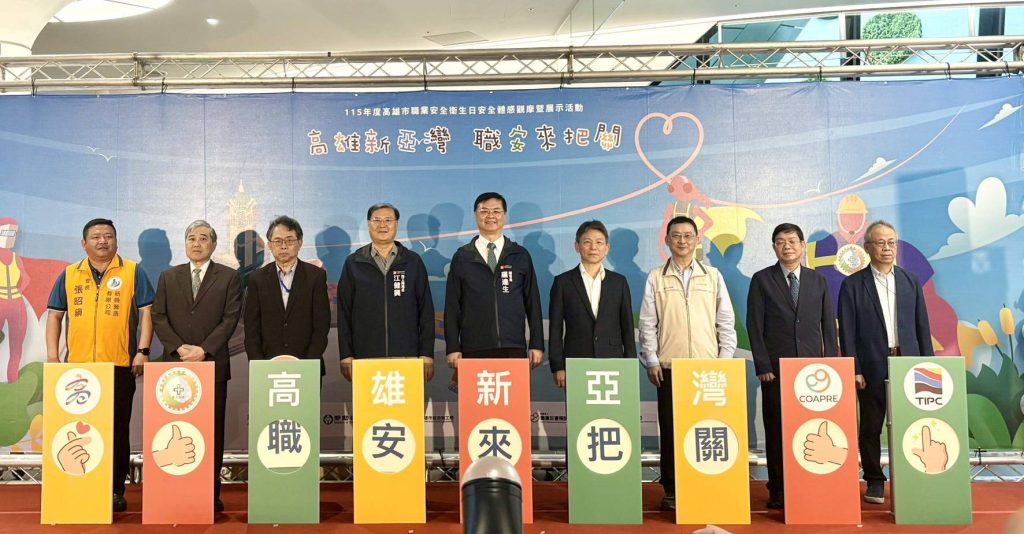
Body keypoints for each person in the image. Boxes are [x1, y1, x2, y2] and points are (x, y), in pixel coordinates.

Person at [45, 218, 154, 512]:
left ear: (116, 241)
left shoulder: (133, 271)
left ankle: (115, 489)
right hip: (78, 371)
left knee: (117, 430)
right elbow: (55, 315)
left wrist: (143, 351)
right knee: (81, 430)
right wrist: (53, 357)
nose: (102, 241)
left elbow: (147, 313)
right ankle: (82, 485)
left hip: (118, 365)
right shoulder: (69, 274)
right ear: (84, 243)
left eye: (108, 236)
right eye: (95, 237)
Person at [638, 215, 736, 511]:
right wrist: (651, 360)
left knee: (706, 429)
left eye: (688, 235)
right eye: (676, 236)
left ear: (697, 240)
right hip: (670, 367)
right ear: (667, 240)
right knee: (671, 431)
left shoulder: (713, 276)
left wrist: (724, 362)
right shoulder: (656, 276)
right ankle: (672, 490)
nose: (682, 241)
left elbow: (726, 321)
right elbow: (647, 323)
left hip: (708, 370)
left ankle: (706, 485)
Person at [838, 220, 932, 505]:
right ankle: (875, 480)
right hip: (871, 366)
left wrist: (927, 365)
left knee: (910, 423)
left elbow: (922, 327)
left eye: (891, 242)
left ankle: (911, 477)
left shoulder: (910, 281)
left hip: (908, 364)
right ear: (867, 248)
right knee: (870, 426)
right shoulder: (853, 285)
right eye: (880, 243)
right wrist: (854, 369)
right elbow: (847, 332)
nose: (887, 248)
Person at [152, 220, 242, 513]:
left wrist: (204, 350)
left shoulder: (228, 277)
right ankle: (175, 491)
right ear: (185, 244)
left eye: (204, 238)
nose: (197, 243)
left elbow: (230, 318)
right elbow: (159, 316)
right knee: (176, 431)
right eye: (191, 238)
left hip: (212, 364)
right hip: (174, 367)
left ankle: (210, 494)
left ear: (213, 244)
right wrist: (178, 348)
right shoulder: (168, 277)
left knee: (211, 431)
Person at [747, 222, 838, 509]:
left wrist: (831, 365)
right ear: (774, 247)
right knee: (776, 430)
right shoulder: (762, 280)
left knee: (810, 429)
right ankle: (778, 489)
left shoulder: (817, 280)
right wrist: (763, 365)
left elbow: (828, 325)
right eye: (780, 242)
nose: (786, 246)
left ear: (801, 246)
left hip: (813, 373)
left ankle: (808, 485)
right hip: (775, 370)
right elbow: (754, 325)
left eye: (792, 241)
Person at [337, 203, 434, 381]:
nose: (382, 225)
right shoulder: (354, 263)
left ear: (396, 224)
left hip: (407, 355)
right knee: (370, 399)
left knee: (404, 399)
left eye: (388, 220)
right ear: (368, 224)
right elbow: (344, 312)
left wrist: (426, 353)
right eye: (377, 220)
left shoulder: (413, 262)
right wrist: (346, 354)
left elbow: (426, 311)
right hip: (365, 355)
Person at [444, 192, 543, 368]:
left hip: (513, 346)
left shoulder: (519, 255)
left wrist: (537, 343)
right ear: (475, 215)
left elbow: (533, 302)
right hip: (474, 347)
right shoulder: (462, 257)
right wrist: (452, 346)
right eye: (484, 211)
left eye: (496, 211)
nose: (490, 216)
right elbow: (452, 306)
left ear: (504, 215)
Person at [548, 220, 636, 388]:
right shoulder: (563, 282)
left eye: (599, 242)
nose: (593, 247)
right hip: (576, 360)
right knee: (579, 405)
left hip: (612, 361)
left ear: (607, 248)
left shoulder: (619, 282)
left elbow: (627, 326)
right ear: (577, 246)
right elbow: (555, 329)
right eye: (587, 242)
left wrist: (630, 364)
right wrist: (558, 366)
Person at [244, 216, 330, 377]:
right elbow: (251, 328)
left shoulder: (315, 276)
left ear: (300, 242)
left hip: (307, 365)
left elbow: (321, 325)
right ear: (270, 245)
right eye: (278, 241)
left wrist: (308, 363)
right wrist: (258, 365)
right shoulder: (257, 278)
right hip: (267, 366)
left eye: (289, 240)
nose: (283, 246)